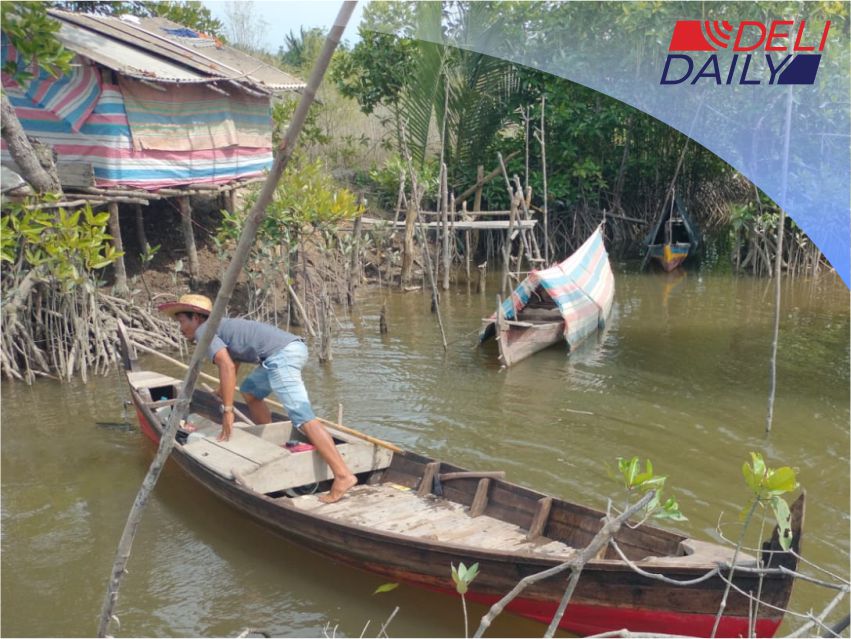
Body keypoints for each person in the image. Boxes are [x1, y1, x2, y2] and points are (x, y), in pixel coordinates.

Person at [158, 294, 357, 503]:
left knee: (303, 416)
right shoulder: (219, 327)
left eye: (181, 321)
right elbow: (232, 362)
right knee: (250, 391)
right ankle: (270, 441)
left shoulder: (203, 330)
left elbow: (225, 365)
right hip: (289, 349)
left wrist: (228, 411)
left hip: (281, 356)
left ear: (196, 318)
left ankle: (343, 475)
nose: (180, 328)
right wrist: (221, 390)